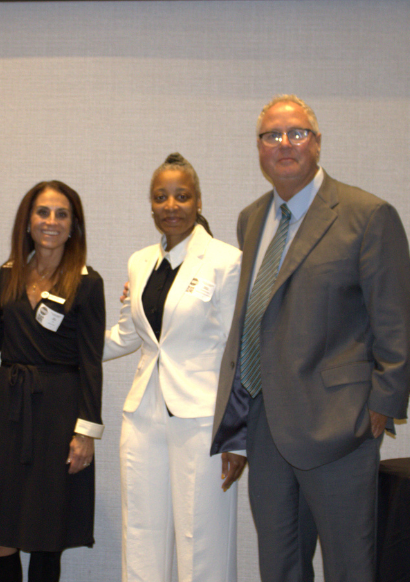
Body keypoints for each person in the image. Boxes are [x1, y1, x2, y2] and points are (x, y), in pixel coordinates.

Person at [211, 95, 410, 582]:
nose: (285, 144)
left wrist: (383, 404)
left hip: (340, 427)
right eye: (272, 135)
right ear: (259, 148)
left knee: (349, 567)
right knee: (279, 567)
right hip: (265, 427)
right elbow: (253, 319)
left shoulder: (366, 215)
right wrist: (236, 421)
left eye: (297, 133)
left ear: (318, 143)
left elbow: (398, 317)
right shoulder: (251, 218)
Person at [104, 153, 243, 582]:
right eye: (160, 197)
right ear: (150, 205)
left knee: (202, 539)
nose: (171, 205)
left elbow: (238, 352)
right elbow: (129, 335)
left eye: (181, 196)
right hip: (144, 416)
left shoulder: (227, 260)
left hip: (203, 420)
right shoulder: (140, 262)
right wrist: (61, 348)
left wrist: (239, 438)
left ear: (198, 202)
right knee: (141, 533)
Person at [0, 181, 105, 582]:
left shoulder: (86, 281)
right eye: (43, 212)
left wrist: (85, 432)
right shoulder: (8, 274)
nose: (51, 221)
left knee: (48, 530)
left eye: (61, 214)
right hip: (8, 410)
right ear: (27, 221)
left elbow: (91, 361)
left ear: (74, 226)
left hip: (58, 414)